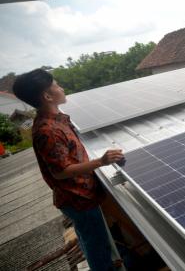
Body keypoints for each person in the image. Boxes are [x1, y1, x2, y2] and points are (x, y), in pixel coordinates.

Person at [12, 68, 124, 271]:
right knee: (97, 245)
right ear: (47, 96)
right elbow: (61, 171)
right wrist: (102, 160)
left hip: (78, 196)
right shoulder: (48, 130)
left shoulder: (55, 120)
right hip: (78, 198)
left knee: (87, 238)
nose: (61, 88)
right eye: (56, 85)